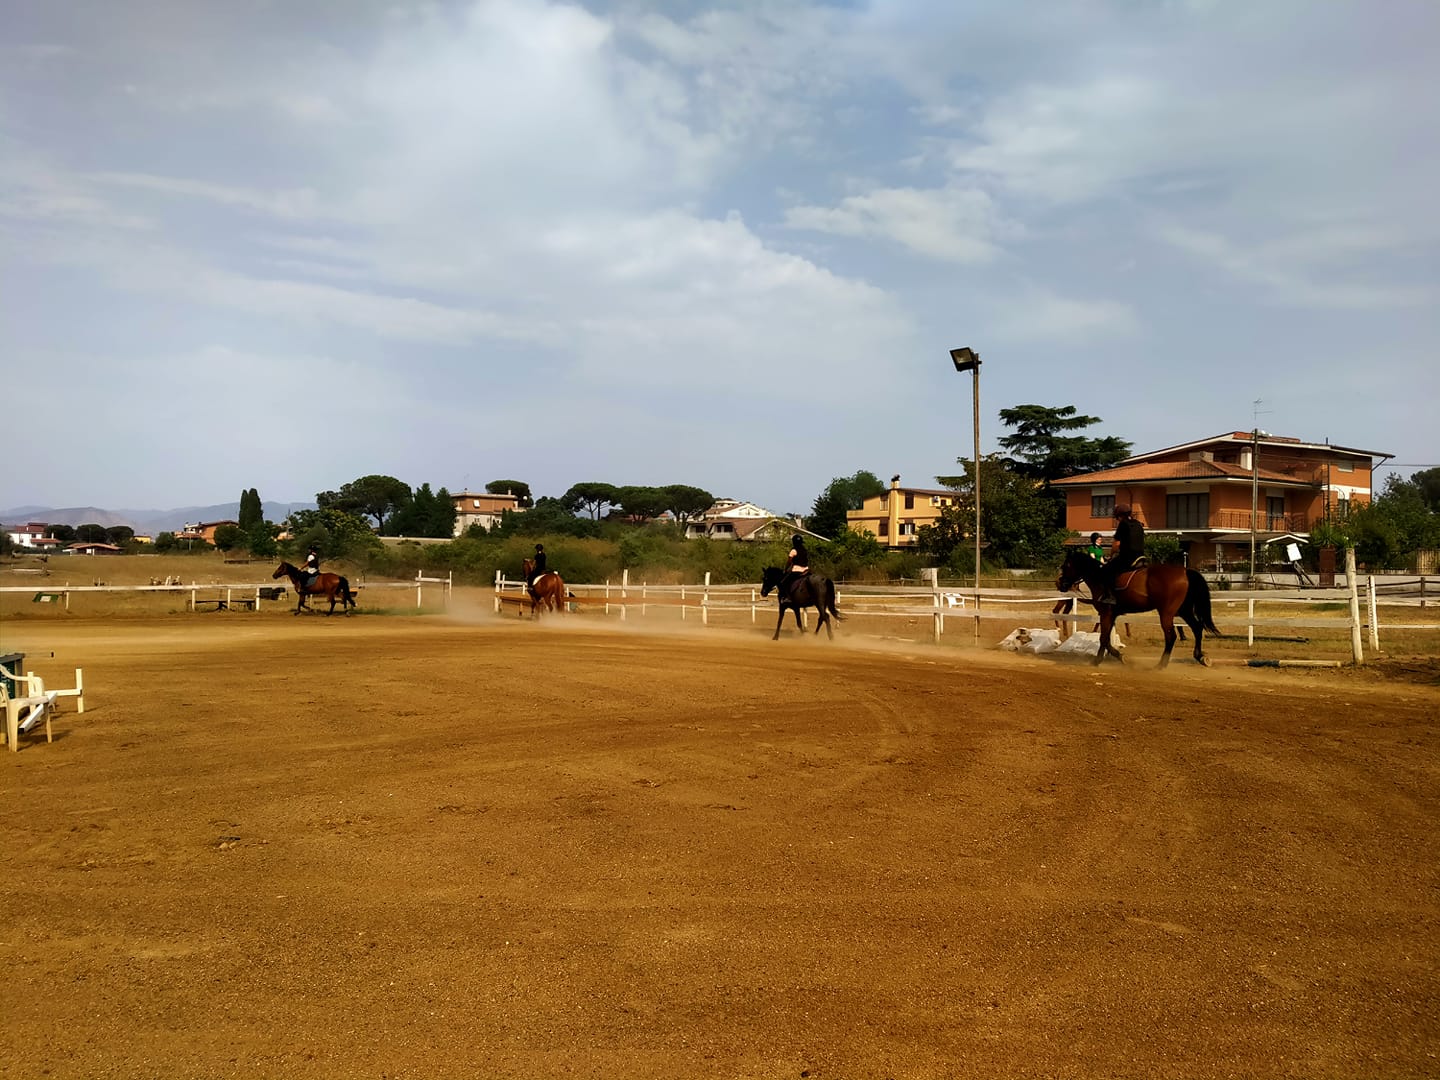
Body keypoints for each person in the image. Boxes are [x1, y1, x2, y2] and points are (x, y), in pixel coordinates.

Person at [1095, 504, 1145, 605]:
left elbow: (1116, 544)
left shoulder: (1123, 524)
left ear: (1120, 516)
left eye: (1117, 517)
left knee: (1106, 570)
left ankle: (1110, 596)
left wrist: (1111, 555)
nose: (1117, 519)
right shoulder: (1139, 524)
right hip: (1141, 557)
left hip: (1128, 557)